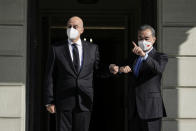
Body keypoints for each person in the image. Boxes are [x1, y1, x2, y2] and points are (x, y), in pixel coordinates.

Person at [44, 16, 105, 131]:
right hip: (63, 101)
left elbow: (98, 70)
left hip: (84, 101)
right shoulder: (56, 49)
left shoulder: (92, 48)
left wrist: (111, 69)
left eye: (75, 27)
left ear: (82, 30)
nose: (72, 29)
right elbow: (50, 75)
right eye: (69, 26)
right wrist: (49, 101)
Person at [110, 25, 168, 131]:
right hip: (134, 108)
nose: (143, 41)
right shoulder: (133, 57)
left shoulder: (160, 56)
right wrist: (115, 68)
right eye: (140, 39)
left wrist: (144, 55)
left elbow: (158, 69)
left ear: (154, 40)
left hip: (151, 109)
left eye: (146, 39)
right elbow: (118, 67)